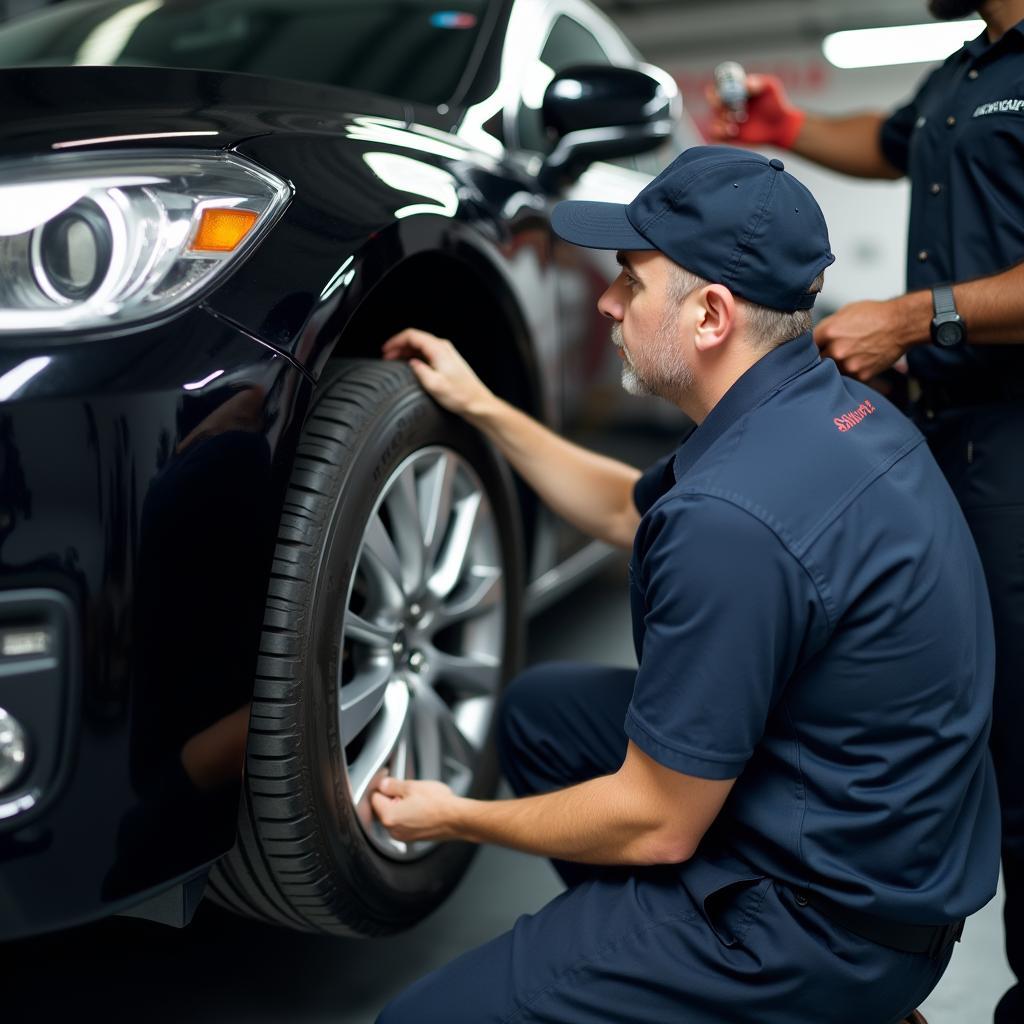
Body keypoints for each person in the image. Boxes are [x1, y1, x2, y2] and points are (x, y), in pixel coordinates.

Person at [370, 146, 999, 1024]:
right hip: (890, 856)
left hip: (816, 928)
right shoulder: (822, 413)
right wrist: (480, 406)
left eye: (630, 281)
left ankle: (758, 992)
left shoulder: (734, 521)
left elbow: (658, 821)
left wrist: (456, 814)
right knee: (543, 716)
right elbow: (631, 514)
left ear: (710, 315)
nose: (606, 302)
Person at [708, 5, 1024, 1020]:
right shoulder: (966, 69)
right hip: (951, 430)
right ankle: (878, 976)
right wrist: (785, 126)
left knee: (1019, 738)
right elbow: (888, 144)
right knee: (929, 708)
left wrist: (913, 315)